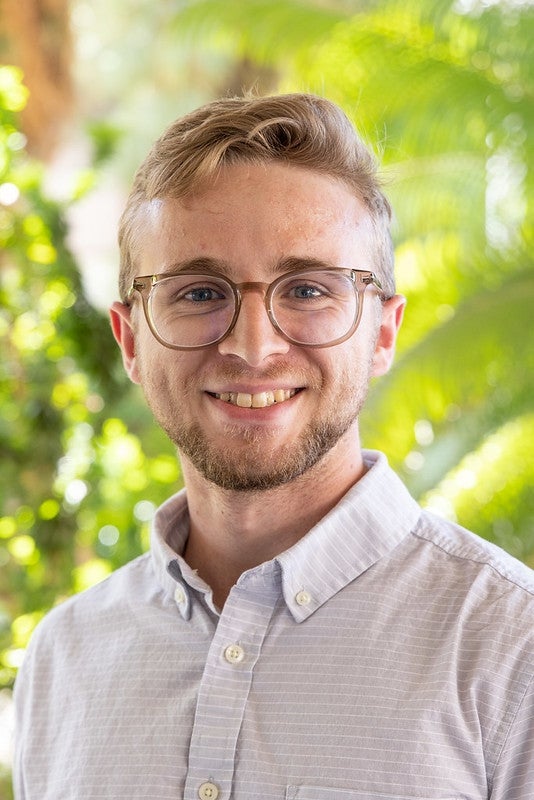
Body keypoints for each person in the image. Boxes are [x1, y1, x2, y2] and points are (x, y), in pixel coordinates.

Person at [13, 93, 534, 800]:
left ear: (382, 331)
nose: (252, 347)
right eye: (198, 293)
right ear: (130, 341)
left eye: (309, 289)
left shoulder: (511, 647)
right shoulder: (64, 658)